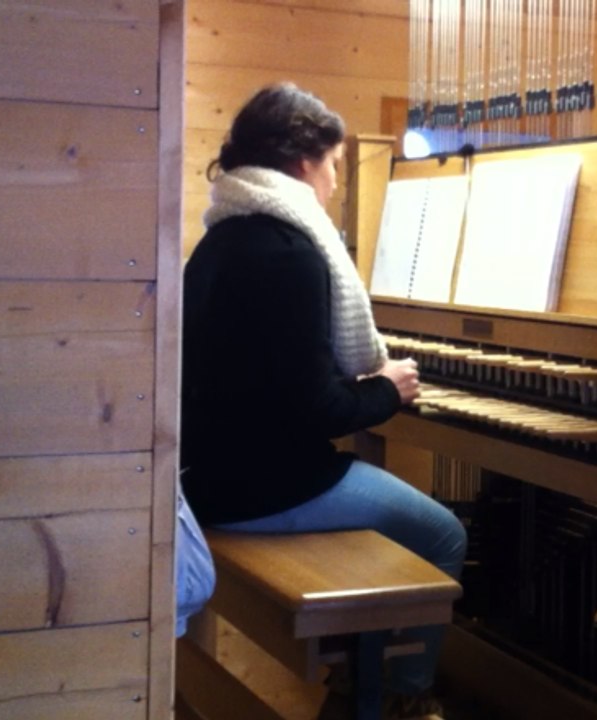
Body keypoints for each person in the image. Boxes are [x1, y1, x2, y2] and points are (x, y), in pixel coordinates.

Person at [180, 83, 466, 720]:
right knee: (444, 533)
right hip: (261, 488)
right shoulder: (290, 254)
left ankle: (360, 674)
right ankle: (398, 695)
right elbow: (316, 411)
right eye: (335, 165)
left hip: (208, 474)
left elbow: (277, 384)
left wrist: (367, 389)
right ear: (303, 160)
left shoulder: (219, 241)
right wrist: (386, 391)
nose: (336, 183)